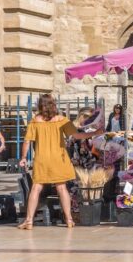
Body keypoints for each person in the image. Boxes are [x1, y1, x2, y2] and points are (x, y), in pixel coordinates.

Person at [18, 94, 101, 230]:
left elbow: (27, 141)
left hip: (42, 159)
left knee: (36, 188)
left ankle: (29, 221)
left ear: (40, 106)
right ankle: (69, 220)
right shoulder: (62, 120)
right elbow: (76, 135)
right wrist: (95, 133)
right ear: (53, 105)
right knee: (61, 188)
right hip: (59, 159)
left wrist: (23, 157)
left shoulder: (35, 120)